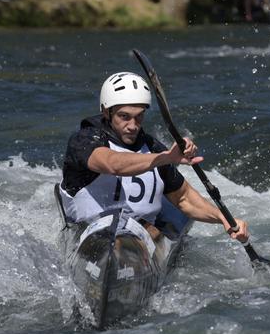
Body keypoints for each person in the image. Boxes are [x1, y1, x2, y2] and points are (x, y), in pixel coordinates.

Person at [59, 71, 249, 244]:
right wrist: (163, 158)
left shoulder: (152, 147)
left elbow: (183, 198)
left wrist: (223, 218)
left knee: (152, 229)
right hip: (89, 232)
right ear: (106, 112)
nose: (133, 125)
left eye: (139, 116)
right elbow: (112, 163)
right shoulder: (84, 140)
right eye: (124, 116)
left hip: (137, 238)